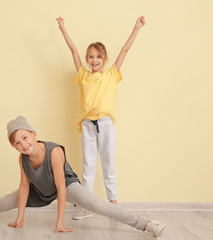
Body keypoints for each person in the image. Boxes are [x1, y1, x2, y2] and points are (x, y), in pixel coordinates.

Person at [0, 116, 165, 237]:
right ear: (14, 147)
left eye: (25, 137)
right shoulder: (23, 159)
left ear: (33, 134)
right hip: (39, 190)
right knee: (6, 201)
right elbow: (24, 187)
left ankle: (145, 224)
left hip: (65, 186)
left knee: (94, 203)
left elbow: (61, 189)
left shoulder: (54, 152)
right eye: (17, 143)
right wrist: (20, 217)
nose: (23, 144)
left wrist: (59, 221)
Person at [56, 16, 145, 219]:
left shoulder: (111, 74)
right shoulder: (83, 75)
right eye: (90, 57)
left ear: (104, 59)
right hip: (88, 125)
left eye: (97, 57)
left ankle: (114, 207)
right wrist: (62, 28)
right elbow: (73, 50)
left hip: (105, 125)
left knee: (108, 165)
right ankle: (86, 207)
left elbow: (124, 49)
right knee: (88, 168)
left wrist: (136, 28)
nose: (93, 60)